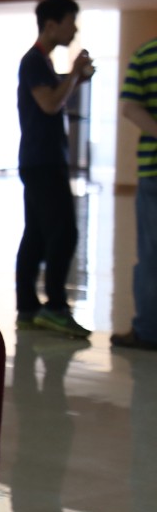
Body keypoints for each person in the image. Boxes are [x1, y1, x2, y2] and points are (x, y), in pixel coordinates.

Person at [16, 0, 95, 337]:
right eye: (70, 22)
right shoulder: (34, 60)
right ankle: (56, 307)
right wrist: (75, 73)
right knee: (64, 233)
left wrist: (76, 78)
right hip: (43, 162)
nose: (74, 30)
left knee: (36, 235)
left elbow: (52, 92)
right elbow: (49, 103)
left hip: (40, 161)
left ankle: (28, 308)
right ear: (51, 25)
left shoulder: (42, 63)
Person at [113, 34, 157, 350]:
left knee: (152, 255)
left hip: (153, 169)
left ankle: (149, 331)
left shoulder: (146, 53)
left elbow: (130, 107)